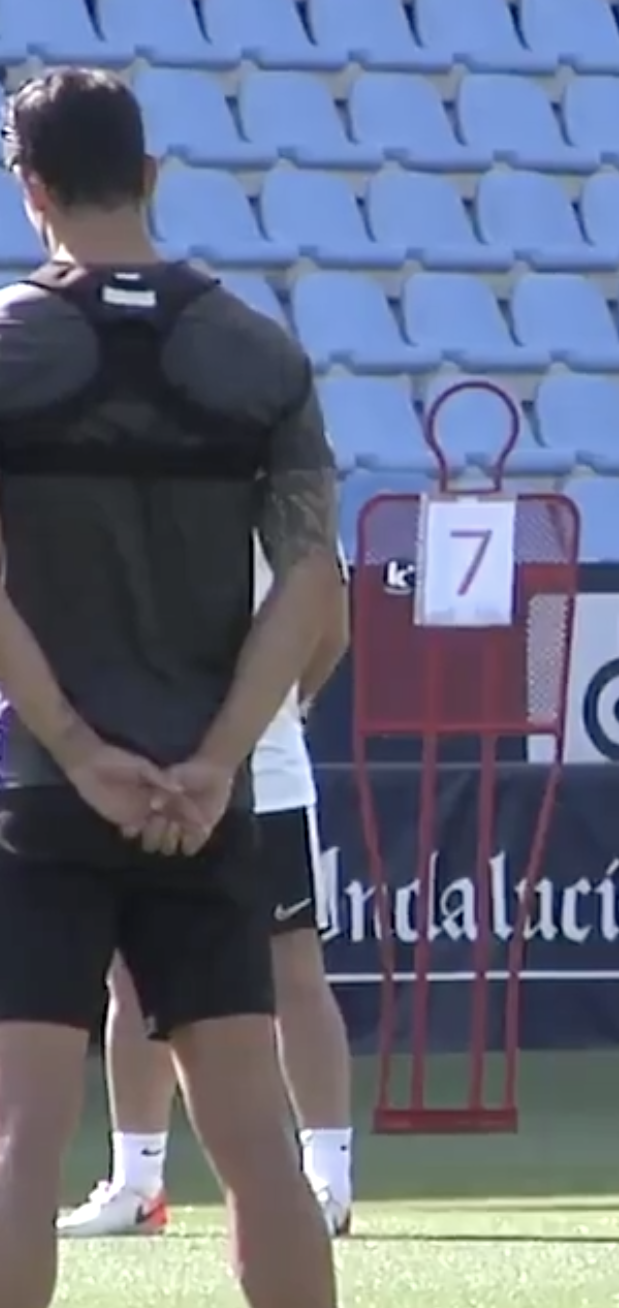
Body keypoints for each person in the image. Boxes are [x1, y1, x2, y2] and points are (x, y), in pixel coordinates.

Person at [0, 68, 342, 1308]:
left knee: (21, 1142)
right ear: (151, 176)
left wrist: (81, 749)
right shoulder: (259, 353)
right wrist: (213, 760)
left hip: (41, 795)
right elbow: (315, 589)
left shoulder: (10, 345)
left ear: (28, 187)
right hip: (206, 802)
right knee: (257, 1148)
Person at [60, 536, 354, 1240]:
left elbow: (330, 630)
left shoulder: (288, 502)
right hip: (148, 780)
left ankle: (329, 1182)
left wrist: (274, 717)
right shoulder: (139, 496)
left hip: (269, 783)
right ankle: (137, 1182)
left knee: (293, 974)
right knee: (131, 980)